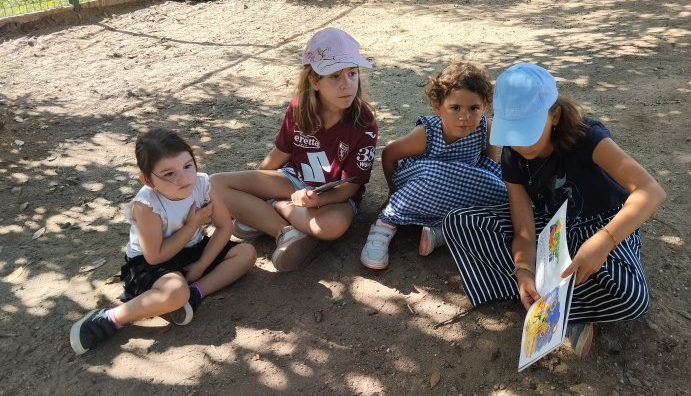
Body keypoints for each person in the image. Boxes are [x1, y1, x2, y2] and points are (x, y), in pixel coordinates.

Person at [442, 63, 666, 357]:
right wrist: (523, 270)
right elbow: (524, 230)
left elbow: (650, 190)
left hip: (602, 225)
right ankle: (547, 297)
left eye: (529, 130)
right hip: (549, 228)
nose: (520, 143)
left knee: (631, 298)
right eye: (513, 132)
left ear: (556, 115)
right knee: (459, 222)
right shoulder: (512, 155)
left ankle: (552, 303)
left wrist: (604, 241)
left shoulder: (588, 138)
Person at [70, 129, 257, 355]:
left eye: (187, 166)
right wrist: (191, 226)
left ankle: (195, 293)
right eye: (169, 174)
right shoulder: (146, 205)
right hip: (149, 263)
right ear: (148, 180)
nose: (183, 178)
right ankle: (111, 317)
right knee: (175, 292)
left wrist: (201, 265)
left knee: (246, 253)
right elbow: (154, 256)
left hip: (191, 250)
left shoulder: (202, 184)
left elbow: (224, 226)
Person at [211, 27, 378, 272]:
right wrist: (255, 187)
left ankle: (273, 208)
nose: (347, 84)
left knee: (330, 227)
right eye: (335, 76)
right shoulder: (299, 108)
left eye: (352, 73)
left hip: (333, 197)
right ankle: (285, 232)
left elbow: (350, 187)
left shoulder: (364, 123)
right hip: (293, 180)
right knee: (215, 183)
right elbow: (280, 154)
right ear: (314, 81)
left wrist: (317, 200)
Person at [360, 62, 508, 270]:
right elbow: (389, 154)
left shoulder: (485, 128)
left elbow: (489, 169)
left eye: (474, 108)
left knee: (502, 193)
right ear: (438, 107)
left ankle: (443, 231)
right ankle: (384, 225)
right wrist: (393, 191)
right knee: (434, 174)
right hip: (423, 185)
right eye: (455, 108)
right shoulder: (427, 133)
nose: (465, 117)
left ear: (485, 106)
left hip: (464, 187)